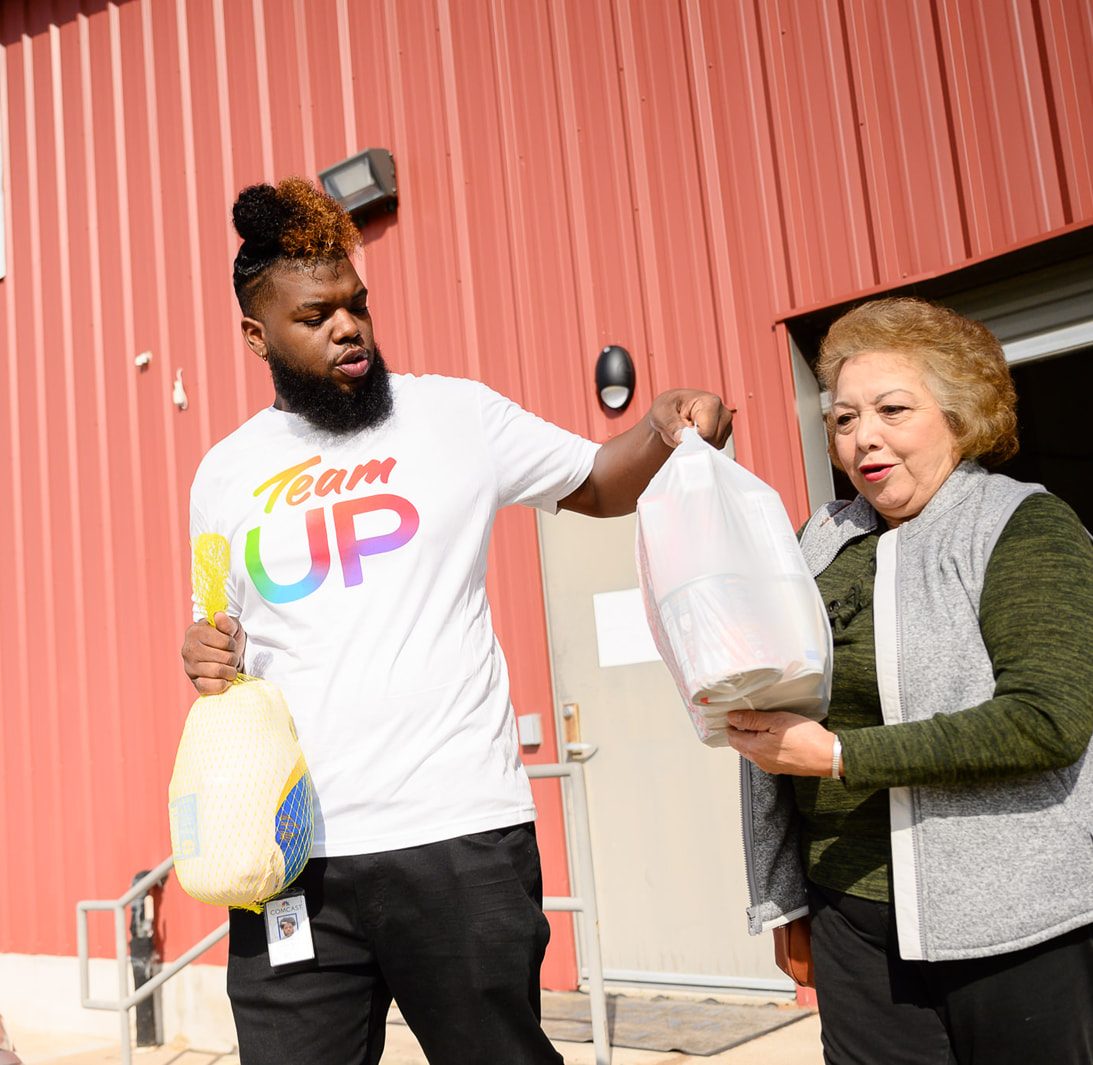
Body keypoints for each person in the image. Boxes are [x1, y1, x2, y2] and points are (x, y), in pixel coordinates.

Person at [180, 177, 731, 1065]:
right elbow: (217, 628)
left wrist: (664, 430)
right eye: (315, 315)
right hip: (289, 857)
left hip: (458, 834)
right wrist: (201, 650)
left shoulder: (454, 415)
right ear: (257, 335)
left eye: (356, 305)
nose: (348, 327)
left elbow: (596, 481)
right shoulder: (223, 472)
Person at [727, 297, 1093, 1065]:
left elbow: (1044, 719)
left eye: (893, 409)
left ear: (961, 416)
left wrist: (841, 756)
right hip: (854, 913)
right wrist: (787, 898)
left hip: (1023, 911)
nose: (863, 435)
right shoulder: (822, 541)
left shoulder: (1025, 528)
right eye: (843, 418)